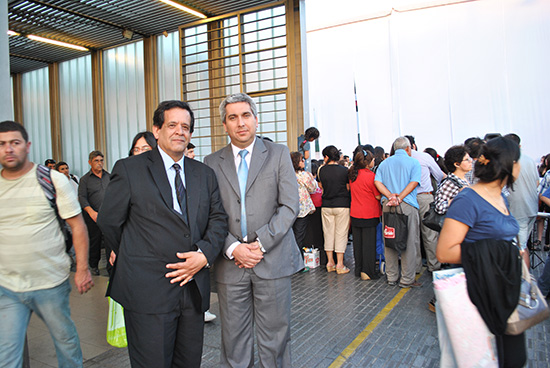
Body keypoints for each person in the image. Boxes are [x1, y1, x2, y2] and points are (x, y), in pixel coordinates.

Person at [97, 100, 228, 368]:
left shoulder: (204, 174)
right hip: (147, 292)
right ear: (156, 130)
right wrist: (137, 256)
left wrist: (203, 255)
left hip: (192, 291)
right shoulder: (130, 169)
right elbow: (110, 221)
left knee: (188, 362)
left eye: (186, 127)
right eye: (172, 125)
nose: (180, 131)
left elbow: (218, 219)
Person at [204, 92, 302, 368]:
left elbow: (289, 206)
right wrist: (234, 247)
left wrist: (259, 246)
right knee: (234, 340)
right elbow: (210, 215)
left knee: (276, 339)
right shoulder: (211, 163)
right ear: (224, 125)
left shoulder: (278, 154)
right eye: (232, 117)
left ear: (256, 120)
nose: (240, 123)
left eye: (246, 115)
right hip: (230, 263)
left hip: (271, 260)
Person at [0, 121, 93, 368]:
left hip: (50, 283)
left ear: (27, 146)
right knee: (7, 354)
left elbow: (78, 226)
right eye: (2, 144)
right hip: (7, 286)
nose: (9, 149)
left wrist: (82, 268)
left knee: (65, 342)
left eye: (15, 143)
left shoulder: (51, 180)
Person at [437, 137, 526, 367]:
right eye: (518, 161)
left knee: (514, 358)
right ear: (508, 164)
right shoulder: (468, 199)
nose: (520, 166)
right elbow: (445, 252)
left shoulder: (500, 196)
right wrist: (502, 252)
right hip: (480, 292)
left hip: (505, 287)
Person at [374, 137, 422, 288]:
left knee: (389, 240)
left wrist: (390, 196)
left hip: (388, 205)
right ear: (408, 148)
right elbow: (414, 182)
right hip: (407, 205)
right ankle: (407, 279)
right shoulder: (414, 162)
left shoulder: (384, 163)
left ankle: (391, 276)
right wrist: (400, 198)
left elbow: (377, 182)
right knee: (409, 242)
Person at [405, 135, 446, 273]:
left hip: (407, 199)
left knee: (412, 234)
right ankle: (433, 266)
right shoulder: (424, 157)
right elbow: (439, 176)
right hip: (425, 198)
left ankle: (416, 267)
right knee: (429, 234)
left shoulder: (399, 161)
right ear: (413, 145)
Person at [504, 133, 539, 266]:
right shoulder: (529, 160)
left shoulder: (509, 161)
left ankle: (524, 280)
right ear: (519, 145)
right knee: (523, 244)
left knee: (520, 247)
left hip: (518, 208)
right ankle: (526, 278)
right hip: (532, 208)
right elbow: (536, 182)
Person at [318, 145, 351, 274]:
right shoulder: (344, 170)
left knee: (328, 233)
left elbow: (320, 186)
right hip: (342, 204)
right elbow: (348, 187)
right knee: (341, 234)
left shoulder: (321, 170)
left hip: (326, 205)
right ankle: (340, 264)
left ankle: (330, 262)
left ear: (326, 157)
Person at [349, 149, 381, 280]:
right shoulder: (371, 177)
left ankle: (359, 269)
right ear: (368, 163)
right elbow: (378, 196)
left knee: (358, 244)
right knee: (369, 244)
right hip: (369, 213)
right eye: (373, 159)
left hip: (355, 213)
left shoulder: (352, 175)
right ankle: (367, 272)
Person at [78, 150, 110, 275]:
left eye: (101, 160)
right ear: (90, 162)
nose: (99, 163)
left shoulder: (109, 176)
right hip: (92, 216)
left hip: (108, 215)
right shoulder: (85, 180)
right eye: (96, 161)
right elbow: (82, 197)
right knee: (94, 241)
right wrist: (91, 212)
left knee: (110, 241)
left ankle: (110, 267)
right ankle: (93, 265)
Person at [291, 151, 319, 270]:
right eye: (302, 160)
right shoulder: (304, 175)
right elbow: (313, 188)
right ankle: (298, 264)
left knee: (291, 236)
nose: (304, 161)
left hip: (289, 208)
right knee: (300, 236)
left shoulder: (286, 174)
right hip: (302, 209)